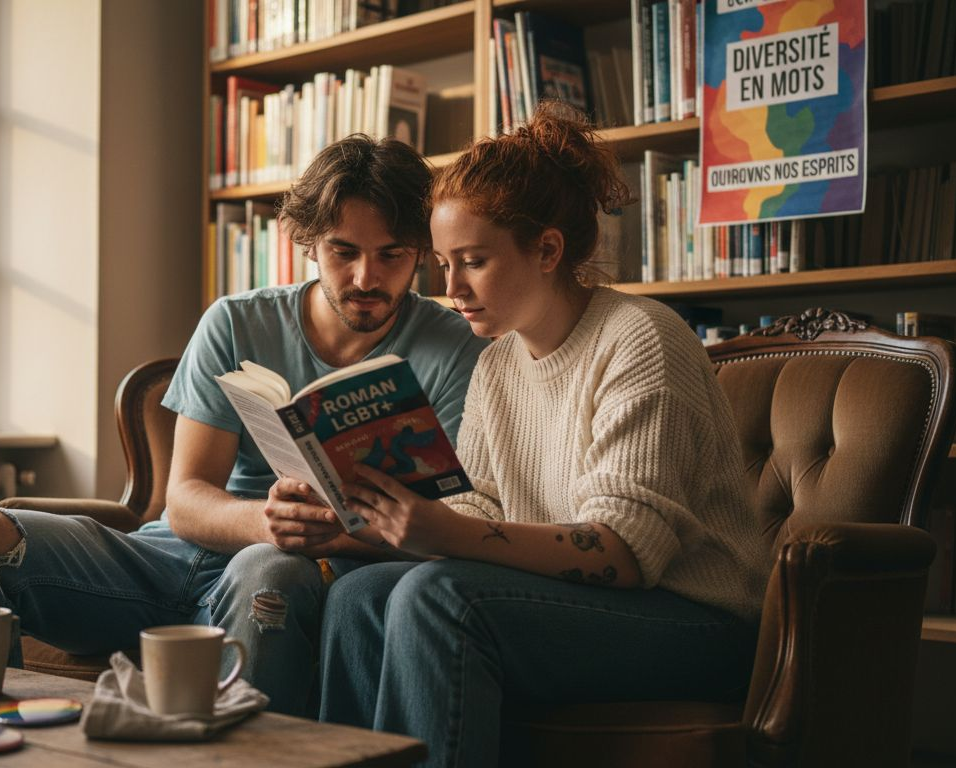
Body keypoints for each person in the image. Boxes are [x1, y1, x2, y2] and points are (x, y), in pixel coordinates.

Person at [0, 135, 489, 717]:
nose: (366, 278)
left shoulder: (457, 349)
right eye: (345, 251)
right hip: (168, 560)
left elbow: (447, 522)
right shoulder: (236, 321)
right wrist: (267, 522)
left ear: (422, 251)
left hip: (291, 576)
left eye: (392, 255)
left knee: (268, 570)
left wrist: (316, 537)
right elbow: (185, 500)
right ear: (309, 243)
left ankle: (243, 752)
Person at [317, 104, 772, 766]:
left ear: (548, 251)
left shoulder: (641, 337)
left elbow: (624, 552)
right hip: (577, 604)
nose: (451, 288)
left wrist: (444, 533)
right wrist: (376, 517)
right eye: (442, 263)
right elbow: (475, 505)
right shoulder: (497, 363)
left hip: (696, 621)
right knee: (357, 595)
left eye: (473, 261)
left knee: (437, 597)